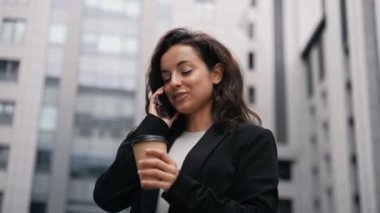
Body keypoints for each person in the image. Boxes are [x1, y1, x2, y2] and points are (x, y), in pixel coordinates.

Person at [93, 28, 279, 213]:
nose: (174, 82)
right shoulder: (156, 137)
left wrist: (178, 186)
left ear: (216, 74)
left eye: (185, 71)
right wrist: (153, 125)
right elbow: (107, 198)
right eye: (166, 78)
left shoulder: (250, 140)